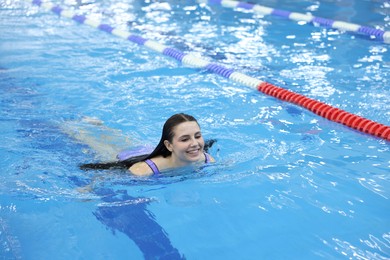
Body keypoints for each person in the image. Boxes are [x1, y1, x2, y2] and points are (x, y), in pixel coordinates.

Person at [79, 113, 216, 176]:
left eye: (197, 136)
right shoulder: (142, 171)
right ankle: (79, 127)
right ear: (169, 145)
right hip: (132, 157)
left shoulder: (207, 159)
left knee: (121, 138)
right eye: (185, 139)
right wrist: (88, 188)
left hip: (147, 150)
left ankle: (100, 126)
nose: (195, 144)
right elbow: (107, 175)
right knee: (93, 142)